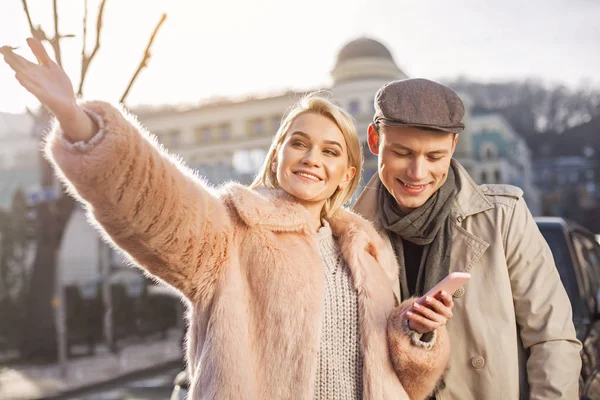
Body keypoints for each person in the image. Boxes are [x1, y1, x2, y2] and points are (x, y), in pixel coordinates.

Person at [2, 39, 455, 400]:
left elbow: (407, 386)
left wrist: (417, 337)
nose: (312, 158)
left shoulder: (371, 256)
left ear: (347, 174)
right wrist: (77, 120)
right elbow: (154, 202)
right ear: (277, 155)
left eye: (330, 151)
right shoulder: (232, 232)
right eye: (299, 143)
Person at [353, 78, 583, 399]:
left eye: (434, 157)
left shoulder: (503, 216)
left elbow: (551, 339)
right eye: (402, 152)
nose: (418, 173)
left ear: (454, 146)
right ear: (375, 140)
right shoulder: (351, 232)